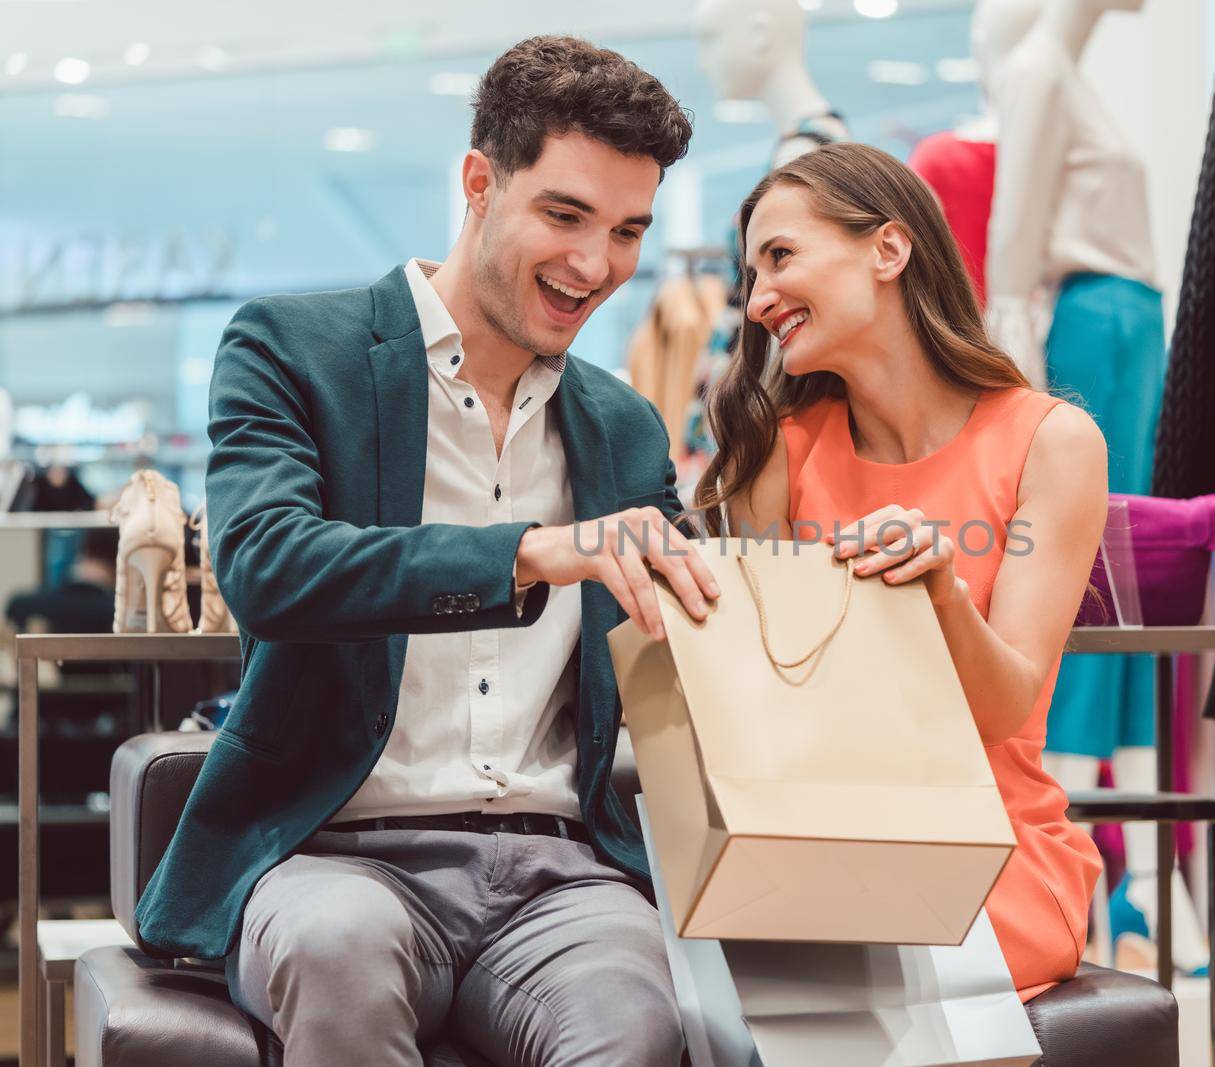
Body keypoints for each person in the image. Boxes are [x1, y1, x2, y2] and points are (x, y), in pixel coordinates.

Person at [134, 36, 721, 1067]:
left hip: (560, 876)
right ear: (478, 183)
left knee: (641, 1016)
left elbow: (690, 614)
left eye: (629, 230)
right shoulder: (291, 347)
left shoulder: (624, 426)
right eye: (566, 215)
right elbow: (269, 567)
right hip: (332, 852)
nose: (597, 266)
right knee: (339, 951)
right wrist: (530, 552)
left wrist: (856, 556)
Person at [697, 141, 1106, 1000]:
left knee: (842, 968)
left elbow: (1003, 711)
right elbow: (765, 710)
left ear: (888, 249)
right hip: (820, 836)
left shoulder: (1053, 443)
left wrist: (941, 594)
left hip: (992, 846)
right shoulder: (779, 451)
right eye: (750, 273)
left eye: (780, 256)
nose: (758, 297)